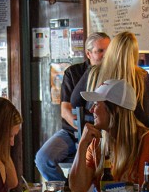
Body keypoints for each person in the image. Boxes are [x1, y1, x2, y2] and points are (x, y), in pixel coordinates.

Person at [34, 32, 110, 182]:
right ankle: (66, 191)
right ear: (88, 54)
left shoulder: (115, 72)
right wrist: (83, 130)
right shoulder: (73, 73)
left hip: (107, 133)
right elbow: (65, 110)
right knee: (43, 159)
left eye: (108, 50)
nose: (105, 55)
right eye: (100, 51)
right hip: (73, 132)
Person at [69, 31, 149, 129]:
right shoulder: (142, 75)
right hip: (138, 138)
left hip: (100, 136)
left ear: (111, 50)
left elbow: (75, 101)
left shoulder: (94, 72)